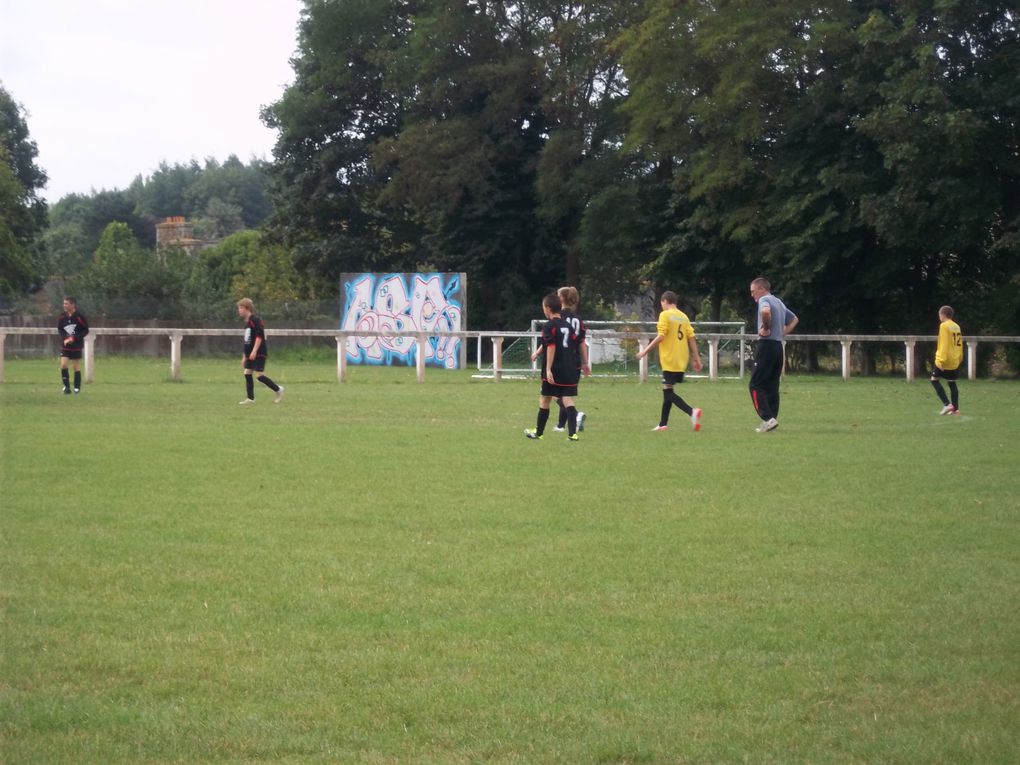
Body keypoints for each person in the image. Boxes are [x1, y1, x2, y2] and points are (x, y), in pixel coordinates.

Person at [635, 290, 703, 432]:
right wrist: (696, 357)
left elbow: (661, 336)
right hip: (681, 359)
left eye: (662, 304)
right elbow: (691, 337)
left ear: (664, 301)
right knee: (668, 390)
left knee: (668, 392)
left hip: (670, 359)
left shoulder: (665, 315)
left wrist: (644, 352)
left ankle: (692, 412)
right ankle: (662, 424)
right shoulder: (683, 317)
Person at [524, 293, 584, 441]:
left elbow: (551, 346)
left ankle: (539, 433)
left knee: (545, 399)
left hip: (554, 368)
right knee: (567, 399)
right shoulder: (568, 326)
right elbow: (575, 343)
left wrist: (549, 369)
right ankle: (572, 434)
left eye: (543, 308)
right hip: (569, 368)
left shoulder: (549, 326)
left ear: (548, 309)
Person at [748, 277, 798, 432]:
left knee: (755, 385)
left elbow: (765, 311)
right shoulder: (779, 302)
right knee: (771, 385)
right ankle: (773, 420)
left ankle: (767, 418)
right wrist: (782, 333)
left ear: (761, 289)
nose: (752, 295)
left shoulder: (764, 300)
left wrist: (766, 327)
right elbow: (795, 319)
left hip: (766, 345)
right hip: (778, 347)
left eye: (753, 291)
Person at [553, 286, 591, 432]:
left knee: (552, 392)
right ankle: (561, 426)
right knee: (566, 393)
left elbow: (552, 338)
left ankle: (575, 415)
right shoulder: (578, 319)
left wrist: (538, 352)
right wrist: (585, 362)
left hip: (560, 359)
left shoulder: (558, 316)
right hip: (574, 361)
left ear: (561, 299)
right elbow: (582, 342)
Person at [237, 298, 284, 405]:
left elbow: (259, 337)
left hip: (259, 352)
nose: (239, 310)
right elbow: (246, 342)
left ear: (247, 308)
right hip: (250, 354)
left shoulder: (255, 320)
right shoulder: (247, 324)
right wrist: (244, 356)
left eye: (241, 308)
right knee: (247, 372)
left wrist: (254, 351)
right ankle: (250, 398)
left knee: (260, 376)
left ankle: (278, 390)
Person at [931, 305, 963, 415]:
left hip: (945, 359)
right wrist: (960, 357)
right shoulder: (956, 326)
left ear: (942, 315)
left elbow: (944, 343)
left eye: (939, 315)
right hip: (955, 359)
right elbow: (959, 344)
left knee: (934, 380)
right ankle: (956, 409)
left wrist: (940, 360)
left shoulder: (944, 326)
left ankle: (947, 404)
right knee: (952, 382)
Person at [57, 296, 89, 395]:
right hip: (65, 345)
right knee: (63, 364)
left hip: (76, 345)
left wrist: (74, 338)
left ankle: (77, 387)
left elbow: (85, 330)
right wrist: (65, 338)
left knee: (76, 366)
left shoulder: (79, 316)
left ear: (72, 305)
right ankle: (66, 387)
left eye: (66, 303)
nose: (64, 305)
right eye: (64, 303)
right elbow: (60, 329)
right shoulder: (62, 316)